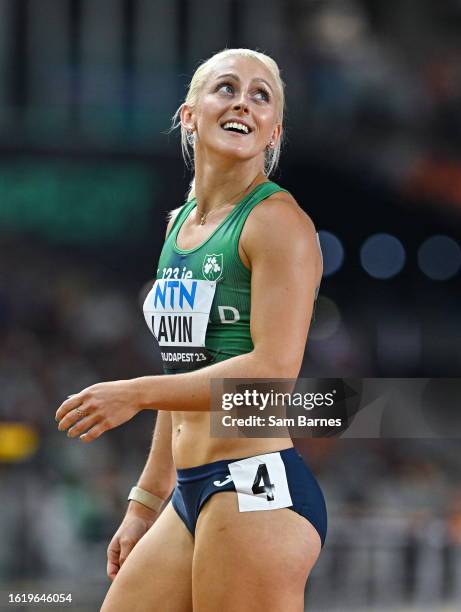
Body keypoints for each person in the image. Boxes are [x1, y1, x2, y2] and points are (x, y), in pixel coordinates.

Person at [55, 48, 326, 612]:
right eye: (227, 88)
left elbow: (273, 371)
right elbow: (185, 372)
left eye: (261, 96)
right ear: (190, 114)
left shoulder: (278, 223)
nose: (244, 103)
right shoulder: (180, 226)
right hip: (189, 490)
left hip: (254, 484)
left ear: (274, 131)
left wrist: (134, 393)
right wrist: (143, 503)